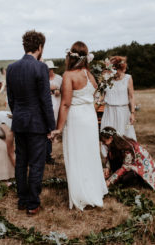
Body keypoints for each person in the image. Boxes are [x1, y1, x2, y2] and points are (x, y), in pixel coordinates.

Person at [51, 41, 108, 211]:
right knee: (90, 153)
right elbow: (96, 92)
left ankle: (82, 194)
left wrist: (59, 128)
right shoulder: (88, 74)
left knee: (77, 154)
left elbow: (65, 104)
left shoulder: (69, 75)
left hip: (76, 118)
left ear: (70, 56)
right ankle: (94, 189)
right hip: (89, 117)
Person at [6, 30, 55, 215]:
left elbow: (11, 99)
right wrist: (52, 126)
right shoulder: (40, 67)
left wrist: (18, 114)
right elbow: (45, 100)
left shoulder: (11, 68)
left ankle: (22, 199)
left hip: (19, 120)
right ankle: (33, 203)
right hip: (36, 124)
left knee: (21, 162)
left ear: (25, 46)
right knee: (36, 163)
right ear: (40, 47)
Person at [100, 56, 137, 141]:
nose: (114, 72)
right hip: (109, 112)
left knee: (124, 135)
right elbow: (101, 96)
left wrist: (132, 113)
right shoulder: (106, 79)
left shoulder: (128, 78)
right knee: (107, 136)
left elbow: (131, 96)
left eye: (116, 69)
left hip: (123, 112)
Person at [45, 60, 62, 164]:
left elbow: (64, 90)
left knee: (56, 122)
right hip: (47, 104)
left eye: (50, 70)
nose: (49, 71)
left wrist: (58, 91)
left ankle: (55, 138)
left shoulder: (59, 78)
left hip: (57, 103)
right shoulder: (43, 78)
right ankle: (48, 153)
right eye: (47, 70)